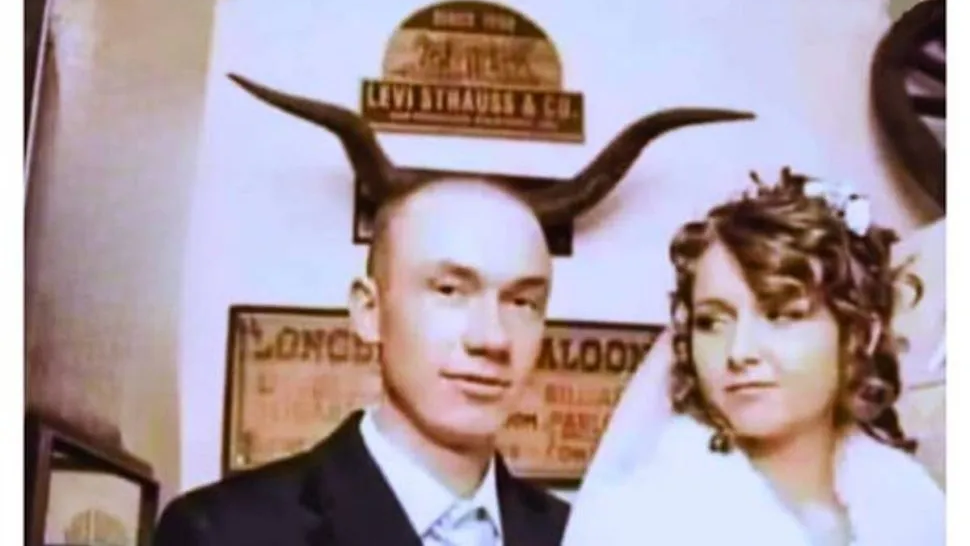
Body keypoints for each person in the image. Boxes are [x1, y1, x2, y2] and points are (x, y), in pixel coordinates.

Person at [154, 177, 568, 546]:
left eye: (522, 302)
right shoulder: (223, 533)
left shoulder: (582, 534)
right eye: (449, 291)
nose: (493, 338)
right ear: (370, 311)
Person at [563, 168, 944, 546]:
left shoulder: (918, 511)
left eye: (780, 315)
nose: (739, 352)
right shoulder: (638, 521)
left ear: (860, 333)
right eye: (712, 322)